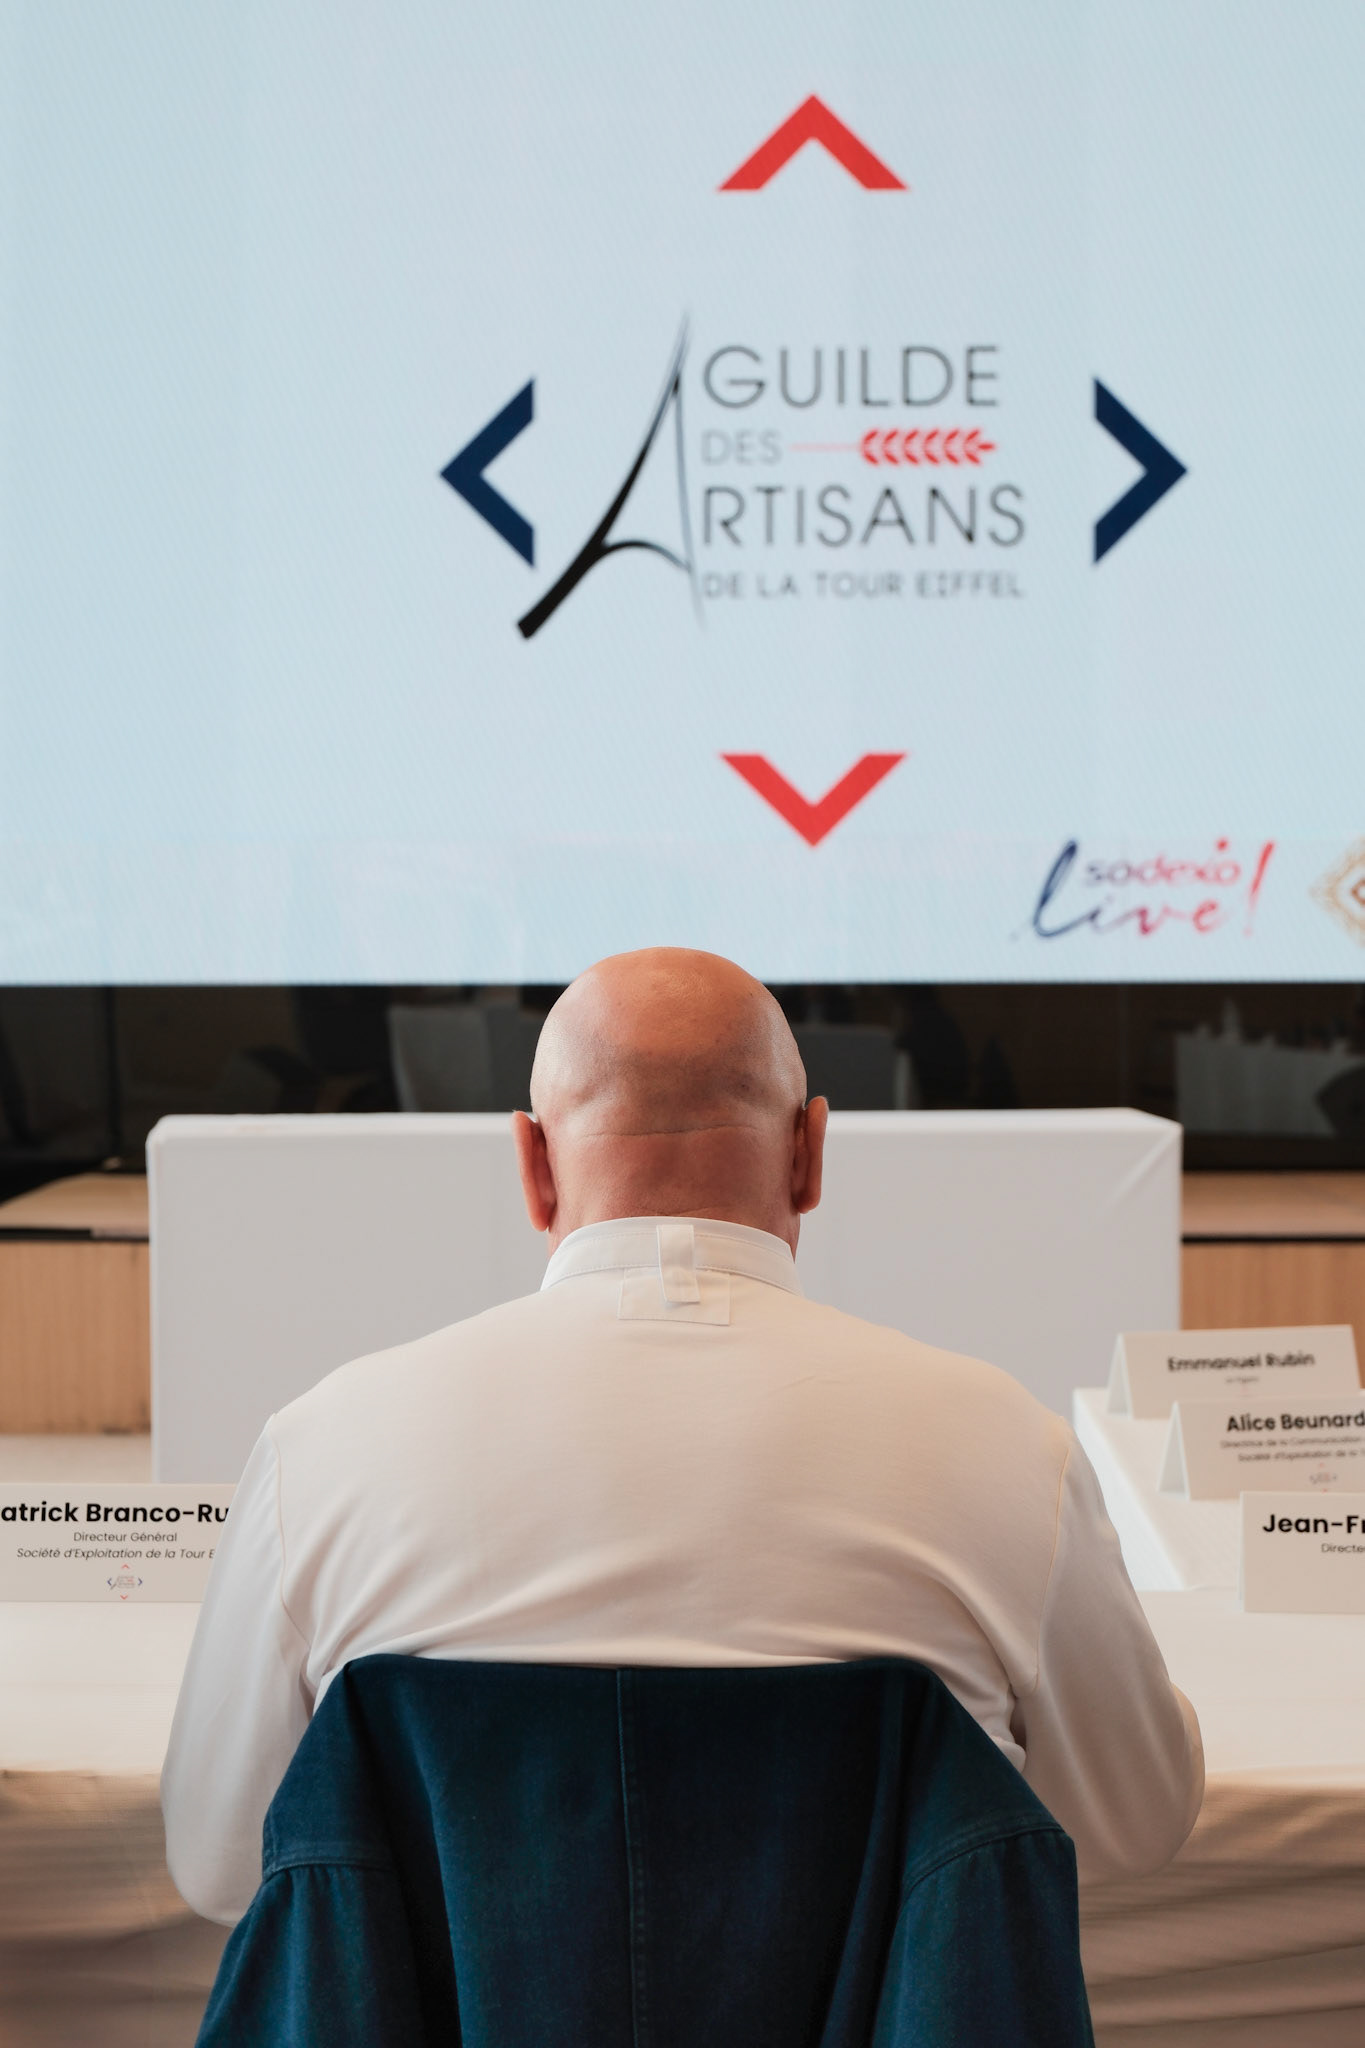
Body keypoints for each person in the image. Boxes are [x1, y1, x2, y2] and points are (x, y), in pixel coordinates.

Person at [162, 948, 1203, 1925]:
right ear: (809, 1154)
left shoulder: (322, 1448)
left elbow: (219, 1863)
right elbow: (1136, 1825)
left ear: (531, 1165)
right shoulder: (1008, 1448)